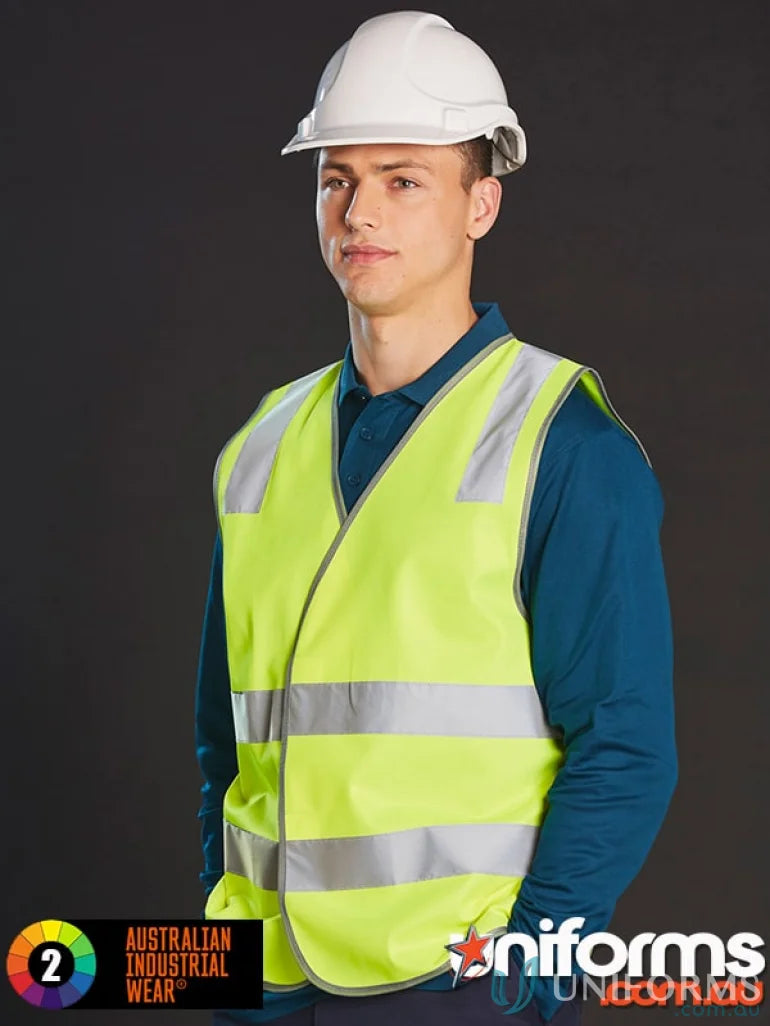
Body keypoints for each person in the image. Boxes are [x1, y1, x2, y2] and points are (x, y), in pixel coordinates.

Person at [194, 11, 678, 1025]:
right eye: (336, 179)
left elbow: (623, 747)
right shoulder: (261, 446)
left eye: (402, 180)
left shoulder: (561, 444)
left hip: (450, 990)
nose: (359, 212)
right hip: (257, 982)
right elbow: (222, 743)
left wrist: (526, 977)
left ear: (480, 205)